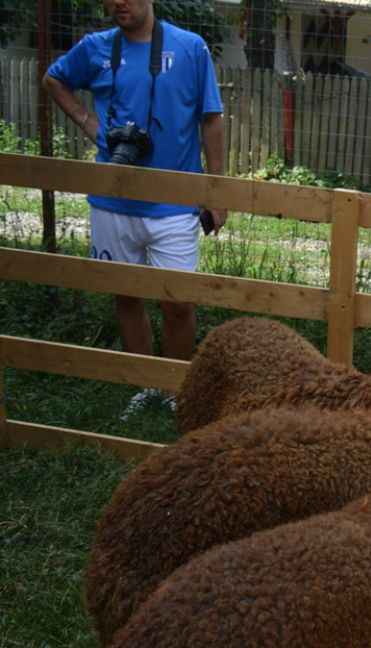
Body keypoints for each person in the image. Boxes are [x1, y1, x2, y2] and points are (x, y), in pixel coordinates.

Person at [42, 0, 226, 418]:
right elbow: (53, 79)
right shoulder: (95, 47)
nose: (118, 2)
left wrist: (217, 192)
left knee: (178, 303)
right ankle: (144, 388)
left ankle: (174, 388)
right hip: (112, 199)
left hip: (175, 202)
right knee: (126, 296)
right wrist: (88, 121)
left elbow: (211, 119)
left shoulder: (191, 47)